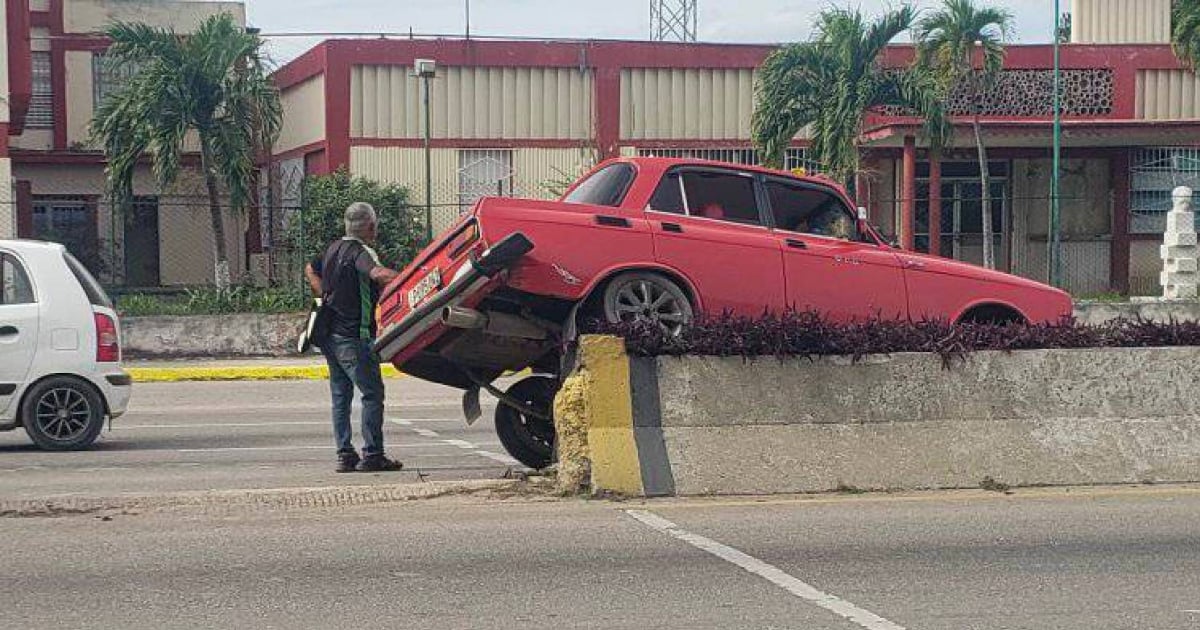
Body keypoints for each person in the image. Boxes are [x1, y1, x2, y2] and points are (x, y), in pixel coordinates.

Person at [304, 202, 402, 473]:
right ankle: (373, 454)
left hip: (330, 336)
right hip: (353, 336)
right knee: (372, 393)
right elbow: (378, 274)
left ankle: (345, 454)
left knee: (340, 395)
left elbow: (310, 269)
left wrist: (324, 295)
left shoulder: (333, 248)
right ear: (371, 226)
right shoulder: (361, 252)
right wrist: (410, 279)